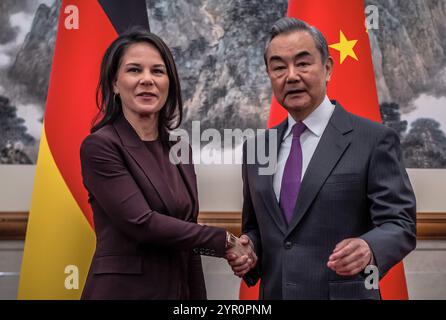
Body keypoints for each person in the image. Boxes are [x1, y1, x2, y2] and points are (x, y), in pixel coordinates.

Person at [227, 18, 416, 299]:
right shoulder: (256, 148)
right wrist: (250, 249)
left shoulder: (373, 139)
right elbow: (256, 227)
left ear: (327, 68)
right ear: (269, 75)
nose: (291, 76)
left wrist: (370, 248)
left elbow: (401, 223)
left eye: (303, 63)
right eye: (279, 67)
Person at [80, 29, 255, 300]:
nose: (147, 80)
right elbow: (141, 223)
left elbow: (186, 235)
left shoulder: (180, 148)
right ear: (115, 83)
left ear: (169, 82)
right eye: (135, 70)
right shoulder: (101, 146)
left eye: (158, 71)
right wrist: (226, 242)